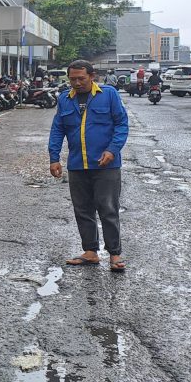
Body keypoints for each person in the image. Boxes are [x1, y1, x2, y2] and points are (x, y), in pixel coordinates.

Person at [49, 59, 129, 273]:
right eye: (72, 79)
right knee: (82, 210)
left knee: (108, 209)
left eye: (81, 79)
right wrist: (54, 157)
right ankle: (90, 252)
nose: (76, 83)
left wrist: (112, 150)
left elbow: (121, 124)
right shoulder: (65, 99)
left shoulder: (109, 94)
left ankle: (114, 253)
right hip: (77, 164)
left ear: (92, 76)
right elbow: (58, 129)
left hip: (106, 166)